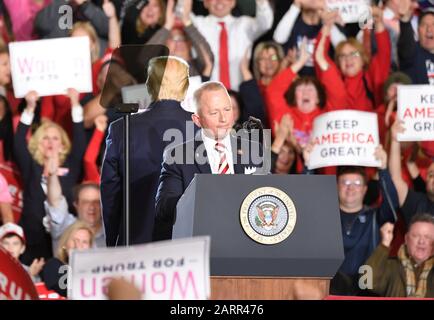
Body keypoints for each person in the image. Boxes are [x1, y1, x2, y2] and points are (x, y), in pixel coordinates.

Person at [101, 56, 195, 247]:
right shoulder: (202, 130)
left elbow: (110, 193)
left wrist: (112, 241)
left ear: (149, 85)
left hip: (135, 244)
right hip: (188, 248)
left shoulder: (121, 129)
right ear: (185, 86)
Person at [155, 81, 264, 240]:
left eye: (228, 109)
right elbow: (164, 208)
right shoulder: (177, 156)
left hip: (246, 241)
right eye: (214, 113)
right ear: (197, 119)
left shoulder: (254, 150)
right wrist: (202, 198)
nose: (223, 119)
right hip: (201, 242)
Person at [303, 144, 399, 295]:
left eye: (357, 183)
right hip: (329, 290)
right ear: (336, 187)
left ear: (365, 189)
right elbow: (304, 203)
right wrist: (308, 166)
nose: (351, 188)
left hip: (367, 289)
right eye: (345, 183)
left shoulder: (374, 216)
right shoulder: (323, 215)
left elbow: (392, 206)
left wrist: (383, 170)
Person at [13, 90, 86, 264]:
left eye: (55, 138)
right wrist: (30, 108)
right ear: (38, 144)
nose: (51, 142)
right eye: (45, 138)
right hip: (32, 239)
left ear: (62, 145)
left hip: (63, 238)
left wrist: (75, 104)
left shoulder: (71, 165)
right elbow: (18, 142)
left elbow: (81, 140)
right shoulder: (31, 166)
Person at [314, 6, 391, 111]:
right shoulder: (334, 79)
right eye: (342, 56)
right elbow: (319, 57)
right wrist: (327, 25)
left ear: (363, 59)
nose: (348, 59)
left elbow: (384, 53)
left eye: (353, 54)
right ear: (338, 63)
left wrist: (379, 22)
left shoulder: (371, 78)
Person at [189, 0, 273, 90]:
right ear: (205, 3)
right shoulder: (197, 24)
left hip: (240, 95)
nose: (219, 2)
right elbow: (182, 12)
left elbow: (265, 24)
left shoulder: (244, 24)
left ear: (233, 3)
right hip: (206, 92)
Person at [43, 151, 105, 252]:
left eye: (96, 202)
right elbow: (55, 201)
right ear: (76, 205)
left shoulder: (112, 233)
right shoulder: (65, 226)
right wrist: (52, 175)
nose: (92, 207)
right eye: (86, 202)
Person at [365, 214, 434, 297]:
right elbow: (365, 282)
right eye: (415, 236)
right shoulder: (392, 265)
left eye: (428, 237)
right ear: (406, 239)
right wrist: (384, 245)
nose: (421, 241)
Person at [389, 120, 434, 223]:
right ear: (426, 182)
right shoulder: (416, 202)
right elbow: (395, 179)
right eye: (431, 175)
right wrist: (395, 140)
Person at [41, 220, 94, 297]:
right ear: (65, 244)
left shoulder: (95, 271)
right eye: (75, 240)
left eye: (85, 242)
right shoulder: (53, 265)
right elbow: (63, 288)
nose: (79, 245)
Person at [398, 1, 434, 84]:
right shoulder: (412, 52)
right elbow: (406, 46)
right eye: (424, 25)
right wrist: (405, 21)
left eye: (433, 25)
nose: (429, 29)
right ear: (418, 30)